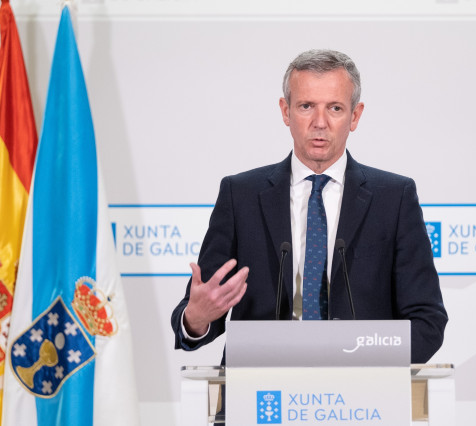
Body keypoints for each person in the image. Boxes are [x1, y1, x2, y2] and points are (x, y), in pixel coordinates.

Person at [171, 49, 447, 363]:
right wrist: (196, 317)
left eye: (335, 108)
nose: (320, 122)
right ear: (285, 111)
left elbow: (428, 322)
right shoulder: (241, 195)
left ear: (354, 116)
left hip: (362, 398)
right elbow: (197, 315)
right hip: (260, 394)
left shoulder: (394, 198)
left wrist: (363, 360)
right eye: (306, 106)